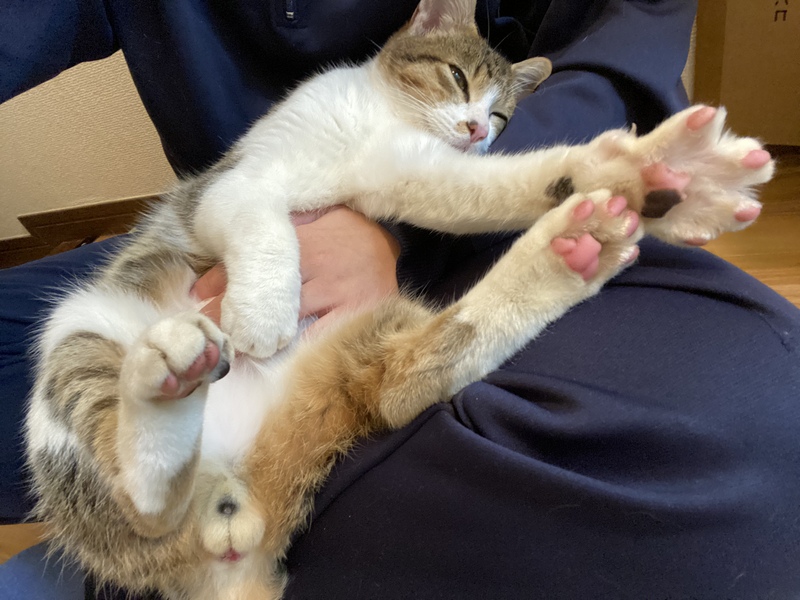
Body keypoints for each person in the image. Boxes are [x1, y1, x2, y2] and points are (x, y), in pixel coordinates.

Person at [1, 1, 798, 598]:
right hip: (210, 285)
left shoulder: (433, 127)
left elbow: (443, 183)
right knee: (82, 338)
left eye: (490, 113)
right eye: (462, 91)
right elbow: (266, 194)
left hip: (308, 345)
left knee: (737, 410)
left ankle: (185, 529)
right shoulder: (349, 99)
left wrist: (586, 171)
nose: (476, 124)